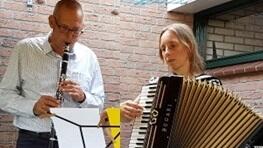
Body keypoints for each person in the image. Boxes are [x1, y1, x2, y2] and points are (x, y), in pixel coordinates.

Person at [0, 0, 105, 148]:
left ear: (83, 27)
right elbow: (3, 96)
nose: (69, 37)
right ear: (52, 22)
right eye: (64, 28)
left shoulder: (89, 57)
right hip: (33, 139)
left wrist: (83, 97)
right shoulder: (25, 49)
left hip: (74, 138)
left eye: (75, 31)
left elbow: (99, 103)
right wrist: (33, 107)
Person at [120, 22, 222, 122]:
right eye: (163, 49)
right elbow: (129, 115)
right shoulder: (157, 86)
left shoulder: (210, 85)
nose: (167, 53)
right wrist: (120, 112)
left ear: (189, 47)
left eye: (172, 46)